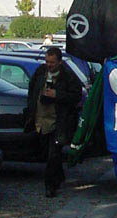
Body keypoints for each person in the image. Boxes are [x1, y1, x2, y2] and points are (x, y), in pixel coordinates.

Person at [26, 46, 82, 197]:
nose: (49, 65)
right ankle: (59, 175)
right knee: (47, 153)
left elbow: (76, 96)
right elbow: (32, 91)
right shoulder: (40, 72)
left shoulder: (68, 76)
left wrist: (58, 95)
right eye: (47, 62)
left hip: (59, 121)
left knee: (54, 153)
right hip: (41, 120)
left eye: (52, 62)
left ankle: (50, 186)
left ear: (59, 62)